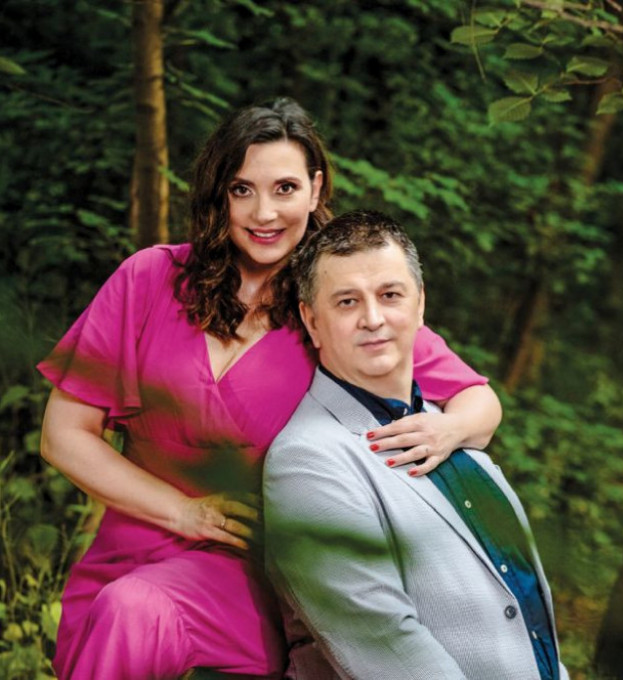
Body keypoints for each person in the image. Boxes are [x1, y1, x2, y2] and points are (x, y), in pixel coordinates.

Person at [37, 99, 502, 679]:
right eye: (242, 190)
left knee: (137, 609)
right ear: (220, 194)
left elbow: (479, 403)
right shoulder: (149, 279)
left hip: (258, 573)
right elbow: (64, 434)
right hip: (129, 548)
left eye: (285, 189)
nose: (264, 213)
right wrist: (184, 513)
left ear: (315, 189)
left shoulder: (334, 307)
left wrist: (444, 430)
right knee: (123, 608)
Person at [264, 209, 569, 680]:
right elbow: (386, 644)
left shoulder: (450, 428)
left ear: (420, 304)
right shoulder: (306, 461)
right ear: (312, 320)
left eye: (390, 295)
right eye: (347, 302)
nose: (372, 319)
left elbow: (525, 615)